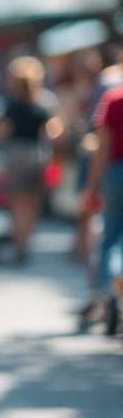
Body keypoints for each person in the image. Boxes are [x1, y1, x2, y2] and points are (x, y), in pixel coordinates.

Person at [0, 57, 60, 264]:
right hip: (37, 154)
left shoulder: (11, 104)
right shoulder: (46, 101)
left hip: (15, 154)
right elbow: (54, 132)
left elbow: (2, 131)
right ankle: (26, 242)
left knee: (16, 201)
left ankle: (18, 241)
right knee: (32, 202)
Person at [83, 80, 123, 320]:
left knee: (111, 236)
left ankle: (107, 291)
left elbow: (103, 144)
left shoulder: (114, 97)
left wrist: (92, 184)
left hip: (115, 172)